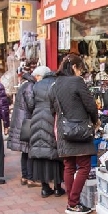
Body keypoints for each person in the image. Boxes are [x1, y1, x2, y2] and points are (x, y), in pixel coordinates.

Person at [50, 54, 99, 214]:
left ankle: (72, 202)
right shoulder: (77, 81)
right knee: (84, 166)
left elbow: (53, 109)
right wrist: (95, 120)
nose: (80, 73)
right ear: (74, 67)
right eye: (80, 69)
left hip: (63, 129)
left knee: (69, 166)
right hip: (80, 129)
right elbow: (90, 105)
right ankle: (73, 203)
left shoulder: (55, 84)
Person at [26, 66, 65, 198]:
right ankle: (58, 188)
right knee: (55, 152)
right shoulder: (57, 84)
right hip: (52, 118)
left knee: (40, 151)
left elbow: (30, 104)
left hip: (37, 117)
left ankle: (44, 187)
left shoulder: (37, 85)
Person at [7, 67, 37, 187]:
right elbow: (31, 104)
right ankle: (30, 178)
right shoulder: (30, 86)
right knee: (29, 150)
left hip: (21, 121)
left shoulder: (24, 85)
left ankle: (25, 176)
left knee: (24, 151)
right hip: (27, 121)